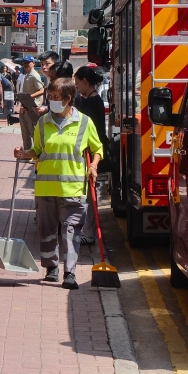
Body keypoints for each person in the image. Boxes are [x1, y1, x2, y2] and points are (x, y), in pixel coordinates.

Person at [13, 77, 103, 289]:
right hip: (46, 188)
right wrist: (23, 153)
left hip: (73, 189)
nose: (51, 100)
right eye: (50, 96)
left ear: (68, 99)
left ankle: (70, 273)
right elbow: (37, 151)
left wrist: (93, 165)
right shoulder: (43, 123)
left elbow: (97, 148)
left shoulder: (84, 122)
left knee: (71, 232)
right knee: (47, 231)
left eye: (55, 97)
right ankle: (51, 268)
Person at [73, 65, 107, 247]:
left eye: (78, 84)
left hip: (92, 153)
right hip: (92, 151)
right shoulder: (93, 101)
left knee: (89, 195)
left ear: (85, 81)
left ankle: (89, 233)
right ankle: (88, 231)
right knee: (88, 194)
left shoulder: (92, 103)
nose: (77, 87)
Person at [17, 55, 45, 149]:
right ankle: (27, 153)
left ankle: (36, 152)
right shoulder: (27, 75)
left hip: (32, 107)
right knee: (25, 132)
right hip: (25, 107)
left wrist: (29, 97)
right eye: (24, 63)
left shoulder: (34, 75)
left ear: (33, 63)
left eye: (28, 62)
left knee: (33, 131)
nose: (25, 64)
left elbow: (42, 90)